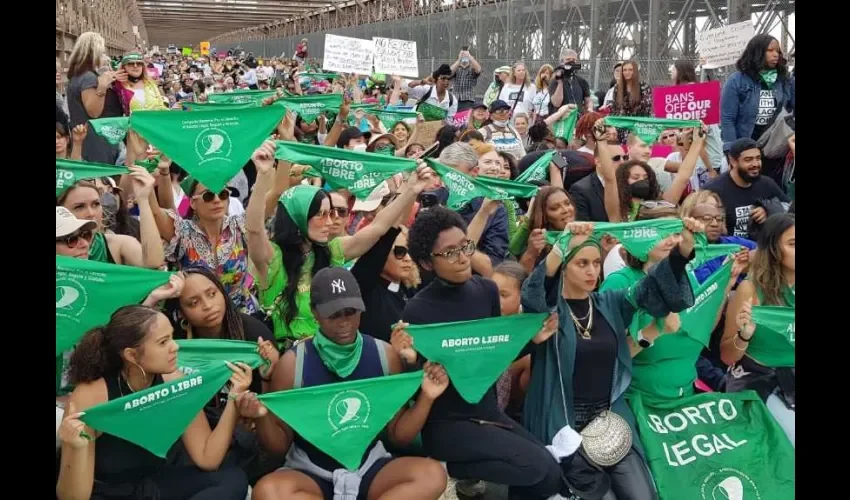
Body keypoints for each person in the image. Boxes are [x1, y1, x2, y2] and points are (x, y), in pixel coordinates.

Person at [521, 219, 704, 500]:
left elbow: (653, 289)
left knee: (643, 496)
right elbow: (534, 295)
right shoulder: (548, 312)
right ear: (564, 268)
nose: (592, 270)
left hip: (608, 420)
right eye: (582, 263)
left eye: (596, 263)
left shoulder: (611, 303)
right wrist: (560, 248)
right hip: (562, 424)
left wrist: (682, 251)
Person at [396, 206, 566, 500]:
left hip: (486, 411)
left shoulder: (486, 290)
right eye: (450, 252)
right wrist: (409, 359)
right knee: (536, 467)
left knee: (550, 473)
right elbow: (417, 384)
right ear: (426, 262)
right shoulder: (418, 310)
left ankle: (460, 470)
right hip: (446, 424)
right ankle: (451, 467)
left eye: (465, 246)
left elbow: (492, 356)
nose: (462, 257)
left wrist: (533, 339)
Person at [238, 267, 449, 500]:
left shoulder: (383, 355)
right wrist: (261, 415)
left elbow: (398, 435)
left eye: (351, 311)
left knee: (432, 474)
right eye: (334, 314)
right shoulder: (293, 365)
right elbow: (279, 445)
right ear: (314, 313)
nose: (344, 322)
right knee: (268, 492)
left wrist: (427, 397)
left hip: (370, 466)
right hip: (311, 471)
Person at [246, 140, 433, 345]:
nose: (330, 222)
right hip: (290, 362)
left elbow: (378, 228)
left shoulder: (332, 250)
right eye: (321, 215)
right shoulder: (272, 258)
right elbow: (254, 230)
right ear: (297, 216)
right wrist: (263, 175)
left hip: (336, 351)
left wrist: (411, 190)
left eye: (332, 214)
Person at [56, 305, 252, 500]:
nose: (175, 347)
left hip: (152, 486)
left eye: (172, 337)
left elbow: (207, 458)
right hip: (106, 492)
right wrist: (75, 447)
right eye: (163, 342)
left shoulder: (175, 382)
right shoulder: (91, 396)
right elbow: (73, 497)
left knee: (233, 480)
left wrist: (234, 400)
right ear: (131, 355)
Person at [721, 213, 795, 446]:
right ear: (773, 249)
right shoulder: (750, 289)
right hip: (761, 380)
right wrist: (745, 334)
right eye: (793, 244)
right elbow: (727, 356)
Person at [57, 166, 164, 269]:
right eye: (79, 207)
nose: (91, 213)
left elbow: (154, 263)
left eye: (96, 204)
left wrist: (143, 200)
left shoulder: (116, 244)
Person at [720, 34, 792, 152]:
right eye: (770, 50)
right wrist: (731, 151)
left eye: (778, 51)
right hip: (745, 147)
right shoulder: (737, 80)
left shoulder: (782, 80)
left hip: (774, 147)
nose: (776, 55)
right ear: (757, 52)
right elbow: (728, 120)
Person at [704, 138, 789, 238]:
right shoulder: (713, 189)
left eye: (758, 158)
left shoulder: (766, 183)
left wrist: (768, 210)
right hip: (730, 249)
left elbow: (788, 207)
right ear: (733, 161)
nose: (755, 164)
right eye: (748, 160)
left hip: (763, 248)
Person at [66, 32, 124, 165]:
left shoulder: (76, 75)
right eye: (102, 52)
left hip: (82, 136)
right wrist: (102, 87)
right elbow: (94, 112)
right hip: (95, 139)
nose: (104, 56)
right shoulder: (89, 77)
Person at [509, 186, 576, 273]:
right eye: (555, 208)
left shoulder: (585, 231)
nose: (566, 210)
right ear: (544, 215)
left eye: (567, 203)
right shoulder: (537, 242)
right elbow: (521, 281)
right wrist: (531, 253)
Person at [612, 60, 652, 142]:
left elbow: (646, 108)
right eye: (625, 70)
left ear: (635, 71)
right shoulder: (617, 87)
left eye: (630, 70)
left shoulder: (643, 86)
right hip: (621, 126)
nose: (627, 72)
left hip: (638, 126)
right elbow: (615, 108)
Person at [548, 49, 591, 114]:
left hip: (577, 119)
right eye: (568, 59)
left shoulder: (581, 81)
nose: (571, 62)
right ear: (562, 62)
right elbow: (556, 103)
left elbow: (588, 100)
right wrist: (560, 83)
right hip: (561, 120)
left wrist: (590, 109)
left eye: (574, 60)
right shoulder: (555, 81)